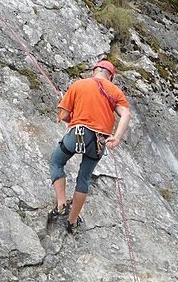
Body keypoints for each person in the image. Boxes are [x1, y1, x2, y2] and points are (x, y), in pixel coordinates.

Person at [49, 59, 131, 233]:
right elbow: (126, 114)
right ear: (110, 77)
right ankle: (72, 221)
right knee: (84, 178)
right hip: (99, 140)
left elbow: (63, 115)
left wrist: (76, 118)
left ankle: (61, 202)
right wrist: (116, 138)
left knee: (57, 161)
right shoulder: (115, 91)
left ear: (94, 72)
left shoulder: (79, 85)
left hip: (78, 133)